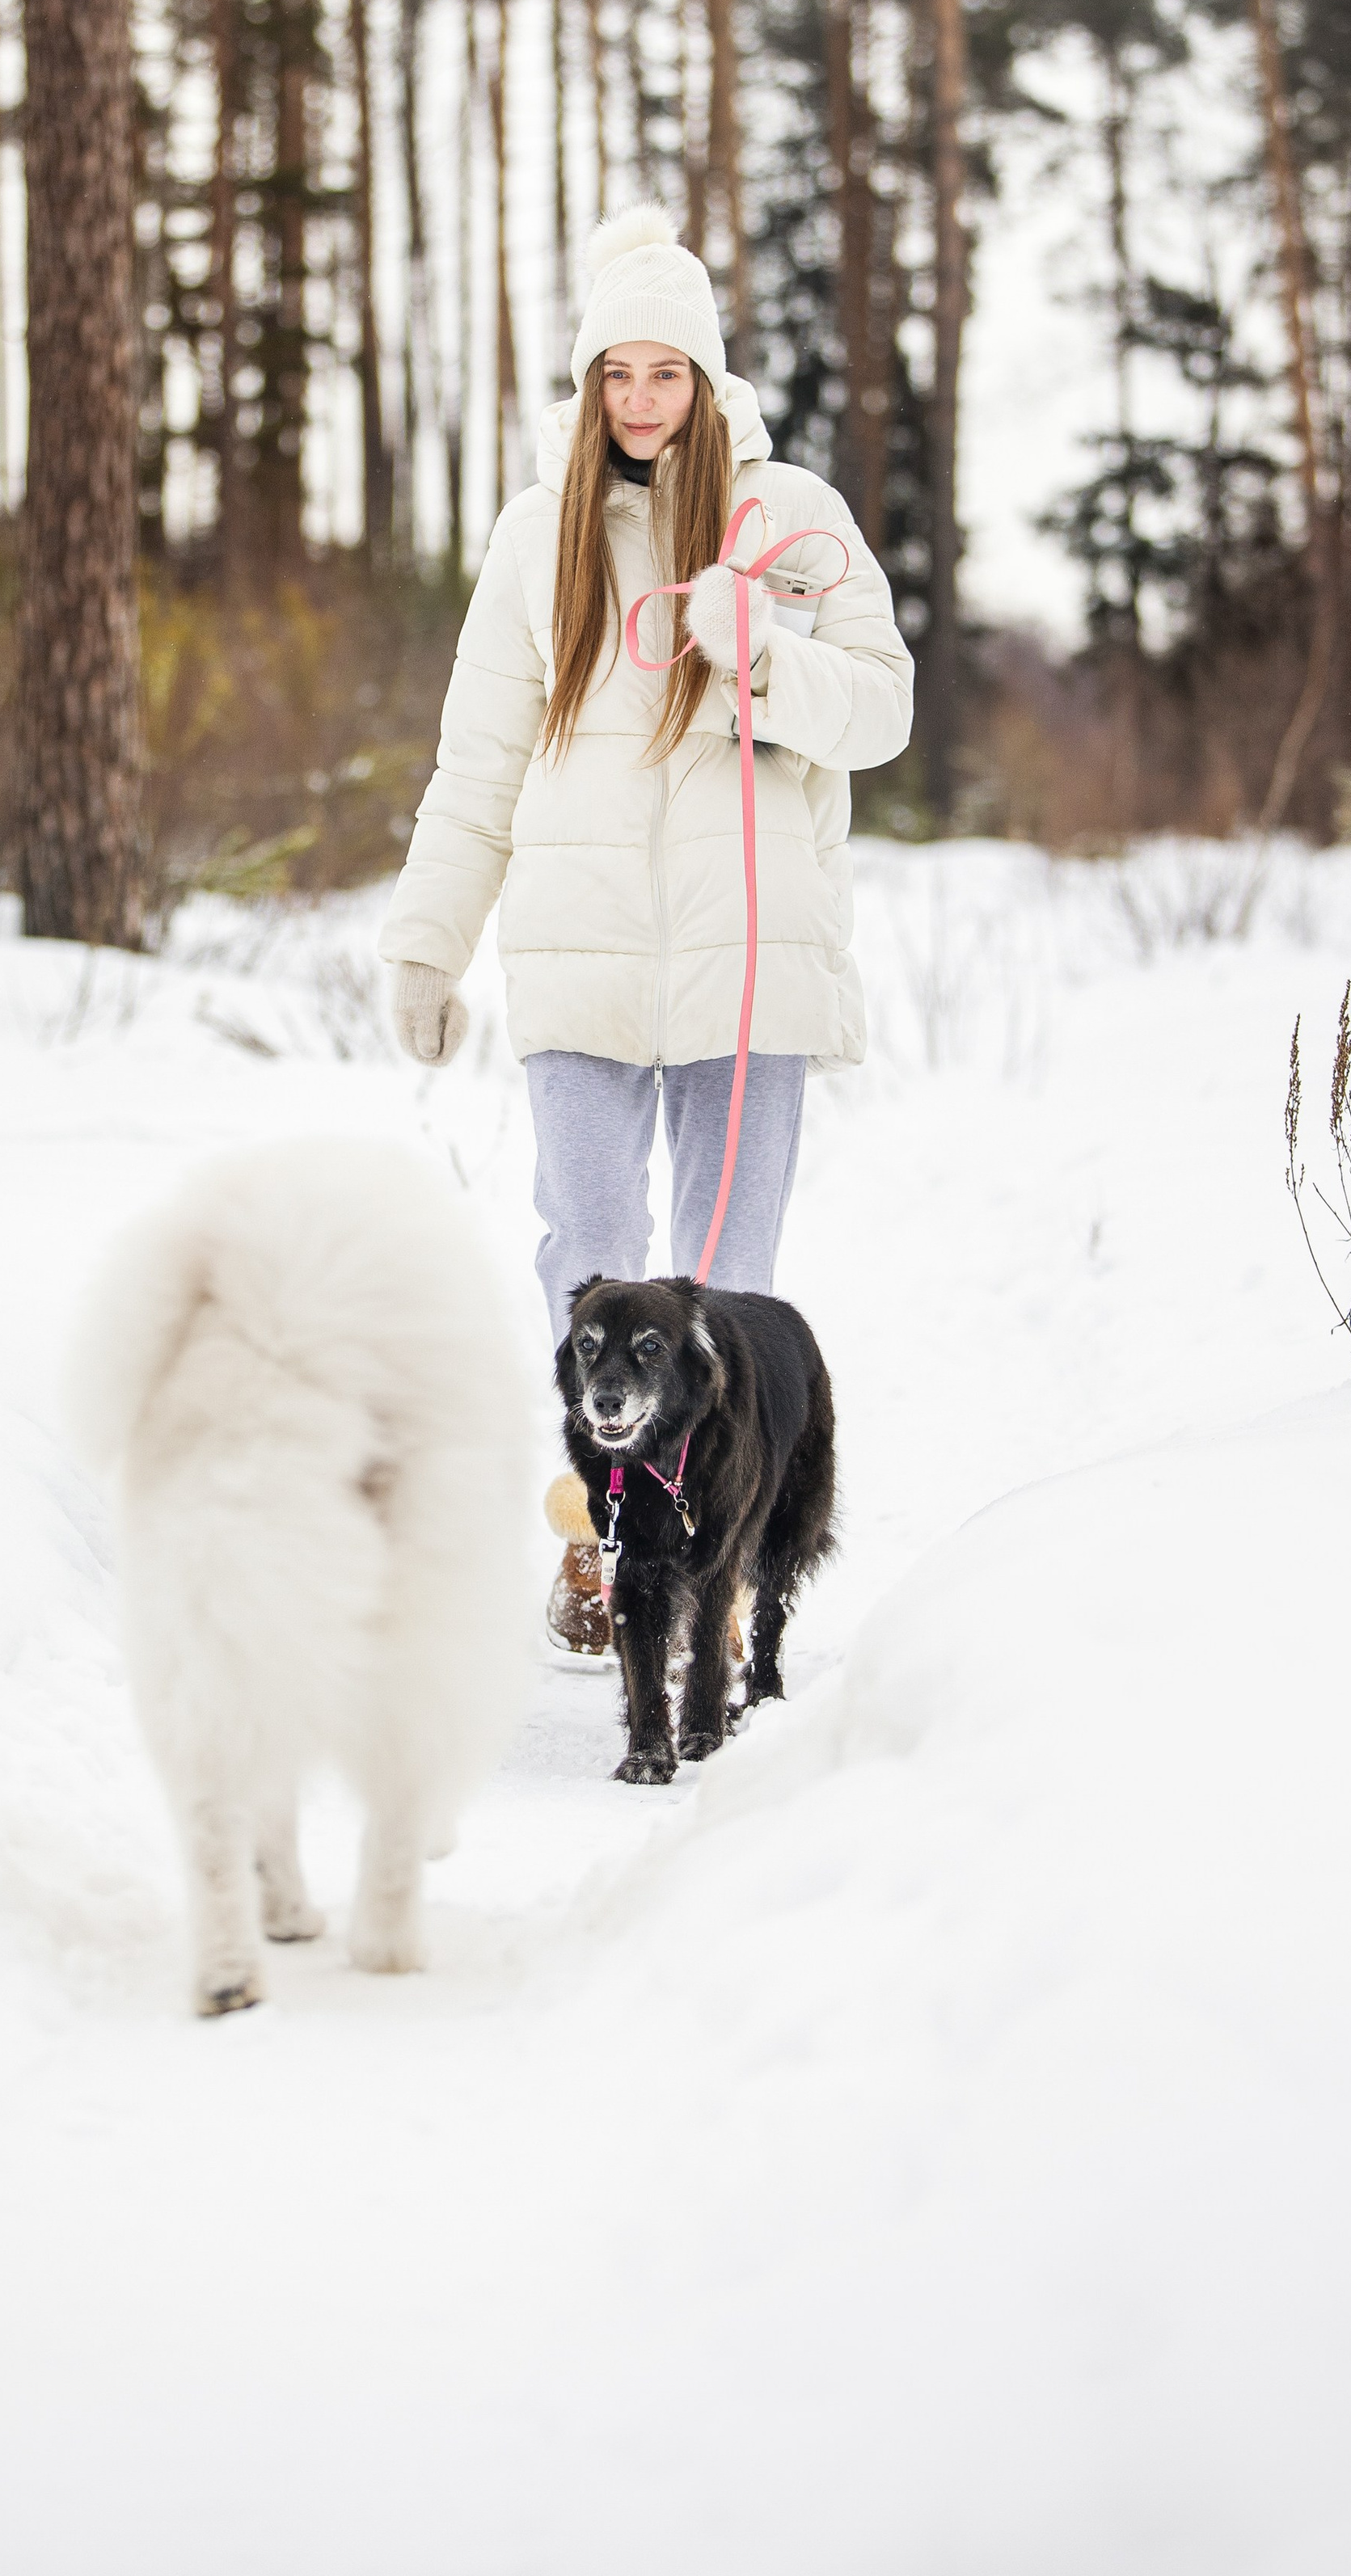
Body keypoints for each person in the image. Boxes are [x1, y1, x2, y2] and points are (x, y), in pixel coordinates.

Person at [378, 205, 914, 1657]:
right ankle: (613, 1538)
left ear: (706, 372)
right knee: (598, 1260)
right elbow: (477, 761)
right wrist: (430, 941)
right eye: (615, 373)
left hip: (752, 968)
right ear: (588, 378)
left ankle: (721, 1554)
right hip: (578, 962)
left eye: (664, 373)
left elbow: (883, 705)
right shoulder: (533, 533)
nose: (639, 401)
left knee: (726, 1281)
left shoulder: (792, 519)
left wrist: (767, 658)